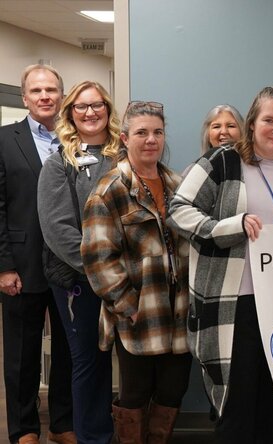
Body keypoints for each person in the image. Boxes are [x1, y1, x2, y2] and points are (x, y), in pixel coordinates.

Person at [169, 87, 273, 443]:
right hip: (234, 305)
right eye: (269, 120)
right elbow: (177, 211)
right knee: (236, 412)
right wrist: (228, 226)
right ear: (252, 123)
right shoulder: (223, 162)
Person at [80, 101, 191, 443]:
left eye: (157, 132)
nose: (150, 140)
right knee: (135, 395)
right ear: (125, 139)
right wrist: (130, 306)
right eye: (141, 133)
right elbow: (98, 260)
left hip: (178, 313)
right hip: (137, 316)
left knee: (174, 390)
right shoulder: (109, 190)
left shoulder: (177, 186)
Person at [37, 80, 121, 444]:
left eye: (97, 105)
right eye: (82, 106)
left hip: (127, 278)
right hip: (79, 279)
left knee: (130, 363)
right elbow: (57, 230)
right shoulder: (59, 164)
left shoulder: (125, 156)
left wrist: (123, 271)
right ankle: (94, 438)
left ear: (107, 109)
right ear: (71, 112)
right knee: (89, 360)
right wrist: (100, 271)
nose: (91, 112)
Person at [0, 64, 74, 444]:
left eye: (52, 90)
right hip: (22, 266)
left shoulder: (77, 140)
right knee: (22, 355)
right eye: (37, 91)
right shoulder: (4, 139)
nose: (45, 96)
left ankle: (63, 424)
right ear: (25, 97)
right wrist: (4, 266)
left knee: (67, 350)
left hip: (69, 266)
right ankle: (24, 428)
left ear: (62, 96)